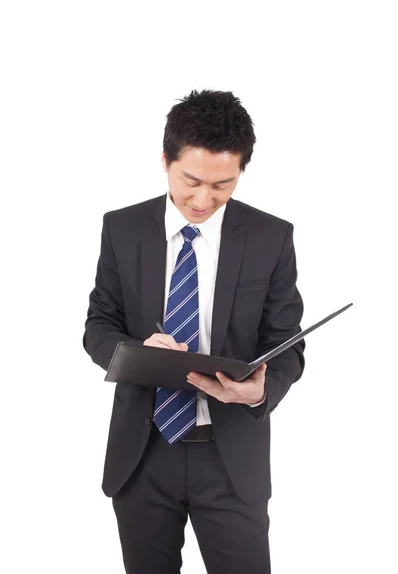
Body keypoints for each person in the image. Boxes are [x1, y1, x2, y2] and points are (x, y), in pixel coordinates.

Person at [83, 89, 305, 574]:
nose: (204, 200)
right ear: (165, 160)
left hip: (230, 460)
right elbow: (98, 325)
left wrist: (260, 389)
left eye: (223, 184)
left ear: (242, 170)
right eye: (191, 180)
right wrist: (135, 350)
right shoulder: (121, 229)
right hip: (143, 455)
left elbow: (288, 342)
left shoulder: (272, 238)